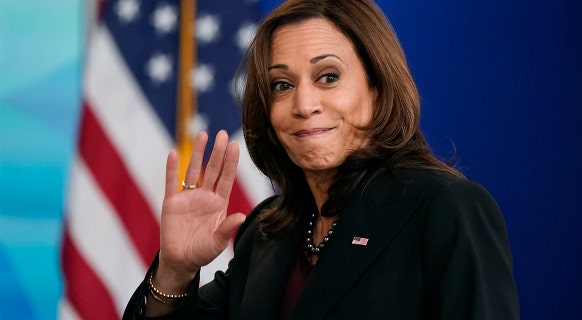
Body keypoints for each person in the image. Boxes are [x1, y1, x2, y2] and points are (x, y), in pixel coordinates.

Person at [123, 0, 519, 319]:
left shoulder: (446, 208)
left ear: (377, 88)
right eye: (282, 85)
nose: (304, 104)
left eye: (328, 76)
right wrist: (175, 271)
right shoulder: (264, 231)